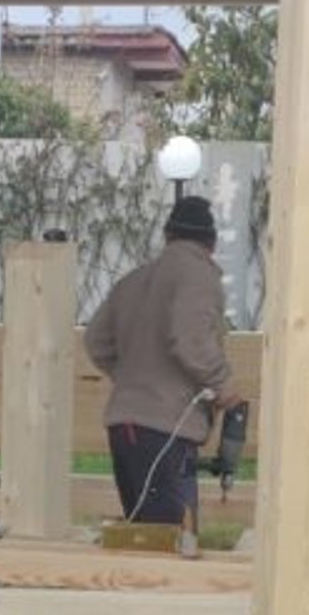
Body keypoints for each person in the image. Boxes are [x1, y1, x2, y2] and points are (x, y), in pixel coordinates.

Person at [84, 196, 240, 530]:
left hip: (124, 429)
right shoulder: (200, 277)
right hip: (165, 433)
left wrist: (133, 379)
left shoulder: (134, 280)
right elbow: (190, 339)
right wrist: (223, 385)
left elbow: (96, 341)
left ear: (167, 236)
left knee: (145, 536)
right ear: (211, 243)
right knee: (172, 543)